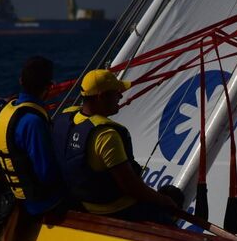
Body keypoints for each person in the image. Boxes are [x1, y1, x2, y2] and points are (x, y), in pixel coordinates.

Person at [52, 69, 178, 224]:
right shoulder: (106, 135)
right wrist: (164, 200)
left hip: (80, 202)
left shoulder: (65, 118)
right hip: (113, 209)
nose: (120, 96)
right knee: (171, 208)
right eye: (116, 92)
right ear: (101, 97)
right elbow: (131, 187)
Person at [0, 56, 65, 215]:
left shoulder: (7, 111)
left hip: (17, 197)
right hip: (41, 203)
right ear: (50, 86)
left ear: (21, 81)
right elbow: (46, 174)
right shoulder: (33, 122)